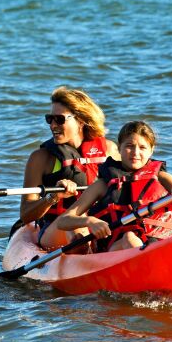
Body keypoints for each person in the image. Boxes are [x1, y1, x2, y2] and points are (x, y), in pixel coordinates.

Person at [50, 121, 172, 252]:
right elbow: (63, 221)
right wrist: (90, 221)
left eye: (142, 147)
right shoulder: (102, 185)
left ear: (151, 150)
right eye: (129, 146)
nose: (136, 153)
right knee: (129, 238)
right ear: (119, 148)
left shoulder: (161, 177)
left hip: (159, 240)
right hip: (117, 247)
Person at [19, 86, 119, 250]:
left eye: (59, 119)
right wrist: (53, 196)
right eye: (49, 119)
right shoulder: (40, 158)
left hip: (99, 223)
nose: (52, 125)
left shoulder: (110, 150)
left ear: (81, 120)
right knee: (77, 231)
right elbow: (25, 215)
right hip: (57, 228)